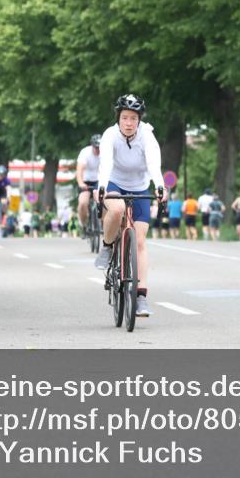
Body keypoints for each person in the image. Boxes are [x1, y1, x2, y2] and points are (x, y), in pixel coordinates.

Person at [94, 94, 168, 318]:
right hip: (114, 183)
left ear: (139, 120)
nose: (128, 123)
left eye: (133, 119)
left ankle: (141, 297)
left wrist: (160, 186)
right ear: (118, 118)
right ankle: (107, 247)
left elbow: (154, 163)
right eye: (125, 118)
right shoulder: (110, 135)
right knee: (116, 210)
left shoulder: (147, 136)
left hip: (140, 186)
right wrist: (103, 187)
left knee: (141, 242)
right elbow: (105, 163)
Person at [77, 134, 101, 235]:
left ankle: (103, 224)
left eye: (99, 147)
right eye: (96, 147)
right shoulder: (85, 152)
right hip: (86, 181)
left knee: (105, 202)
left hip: (100, 181)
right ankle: (83, 224)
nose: (98, 150)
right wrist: (81, 183)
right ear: (92, 146)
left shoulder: (106, 152)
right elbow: (79, 170)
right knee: (83, 203)